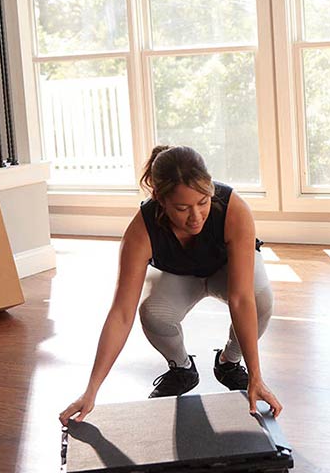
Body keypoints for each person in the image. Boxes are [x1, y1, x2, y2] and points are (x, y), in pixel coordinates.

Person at [59, 145, 283, 426]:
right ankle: (182, 369)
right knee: (152, 312)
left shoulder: (233, 208)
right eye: (182, 208)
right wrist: (90, 391)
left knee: (259, 297)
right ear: (160, 199)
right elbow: (121, 314)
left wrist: (256, 377)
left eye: (203, 202)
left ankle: (229, 363)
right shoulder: (140, 231)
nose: (196, 216)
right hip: (178, 276)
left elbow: (240, 298)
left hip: (225, 271)